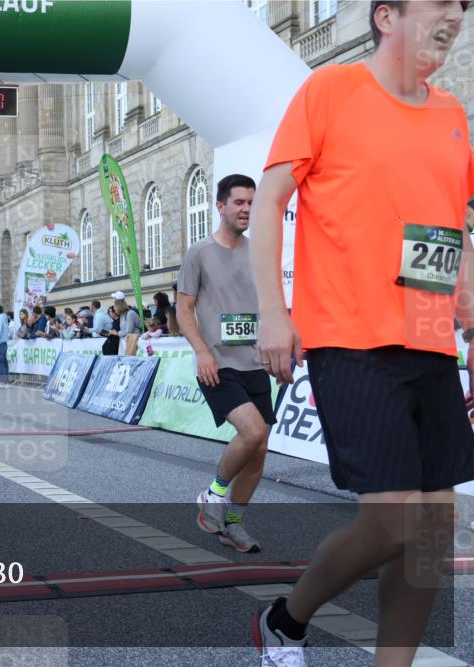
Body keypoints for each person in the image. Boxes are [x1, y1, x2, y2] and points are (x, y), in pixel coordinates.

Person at [249, 2, 473, 663]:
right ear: (386, 17)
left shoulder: (451, 114)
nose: (454, 15)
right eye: (439, 5)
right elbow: (269, 200)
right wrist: (272, 309)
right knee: (394, 519)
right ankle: (287, 617)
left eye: (462, 7)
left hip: (429, 334)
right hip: (349, 334)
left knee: (432, 527)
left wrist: (467, 309)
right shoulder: (332, 90)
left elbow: (453, 228)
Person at [177, 173, 275, 558]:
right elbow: (184, 309)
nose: (246, 209)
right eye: (239, 202)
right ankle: (213, 494)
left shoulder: (257, 252)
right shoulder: (199, 252)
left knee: (260, 448)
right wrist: (202, 351)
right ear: (220, 206)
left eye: (251, 203)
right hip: (216, 363)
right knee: (251, 432)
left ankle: (230, 524)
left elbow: (267, 307)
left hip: (254, 362)